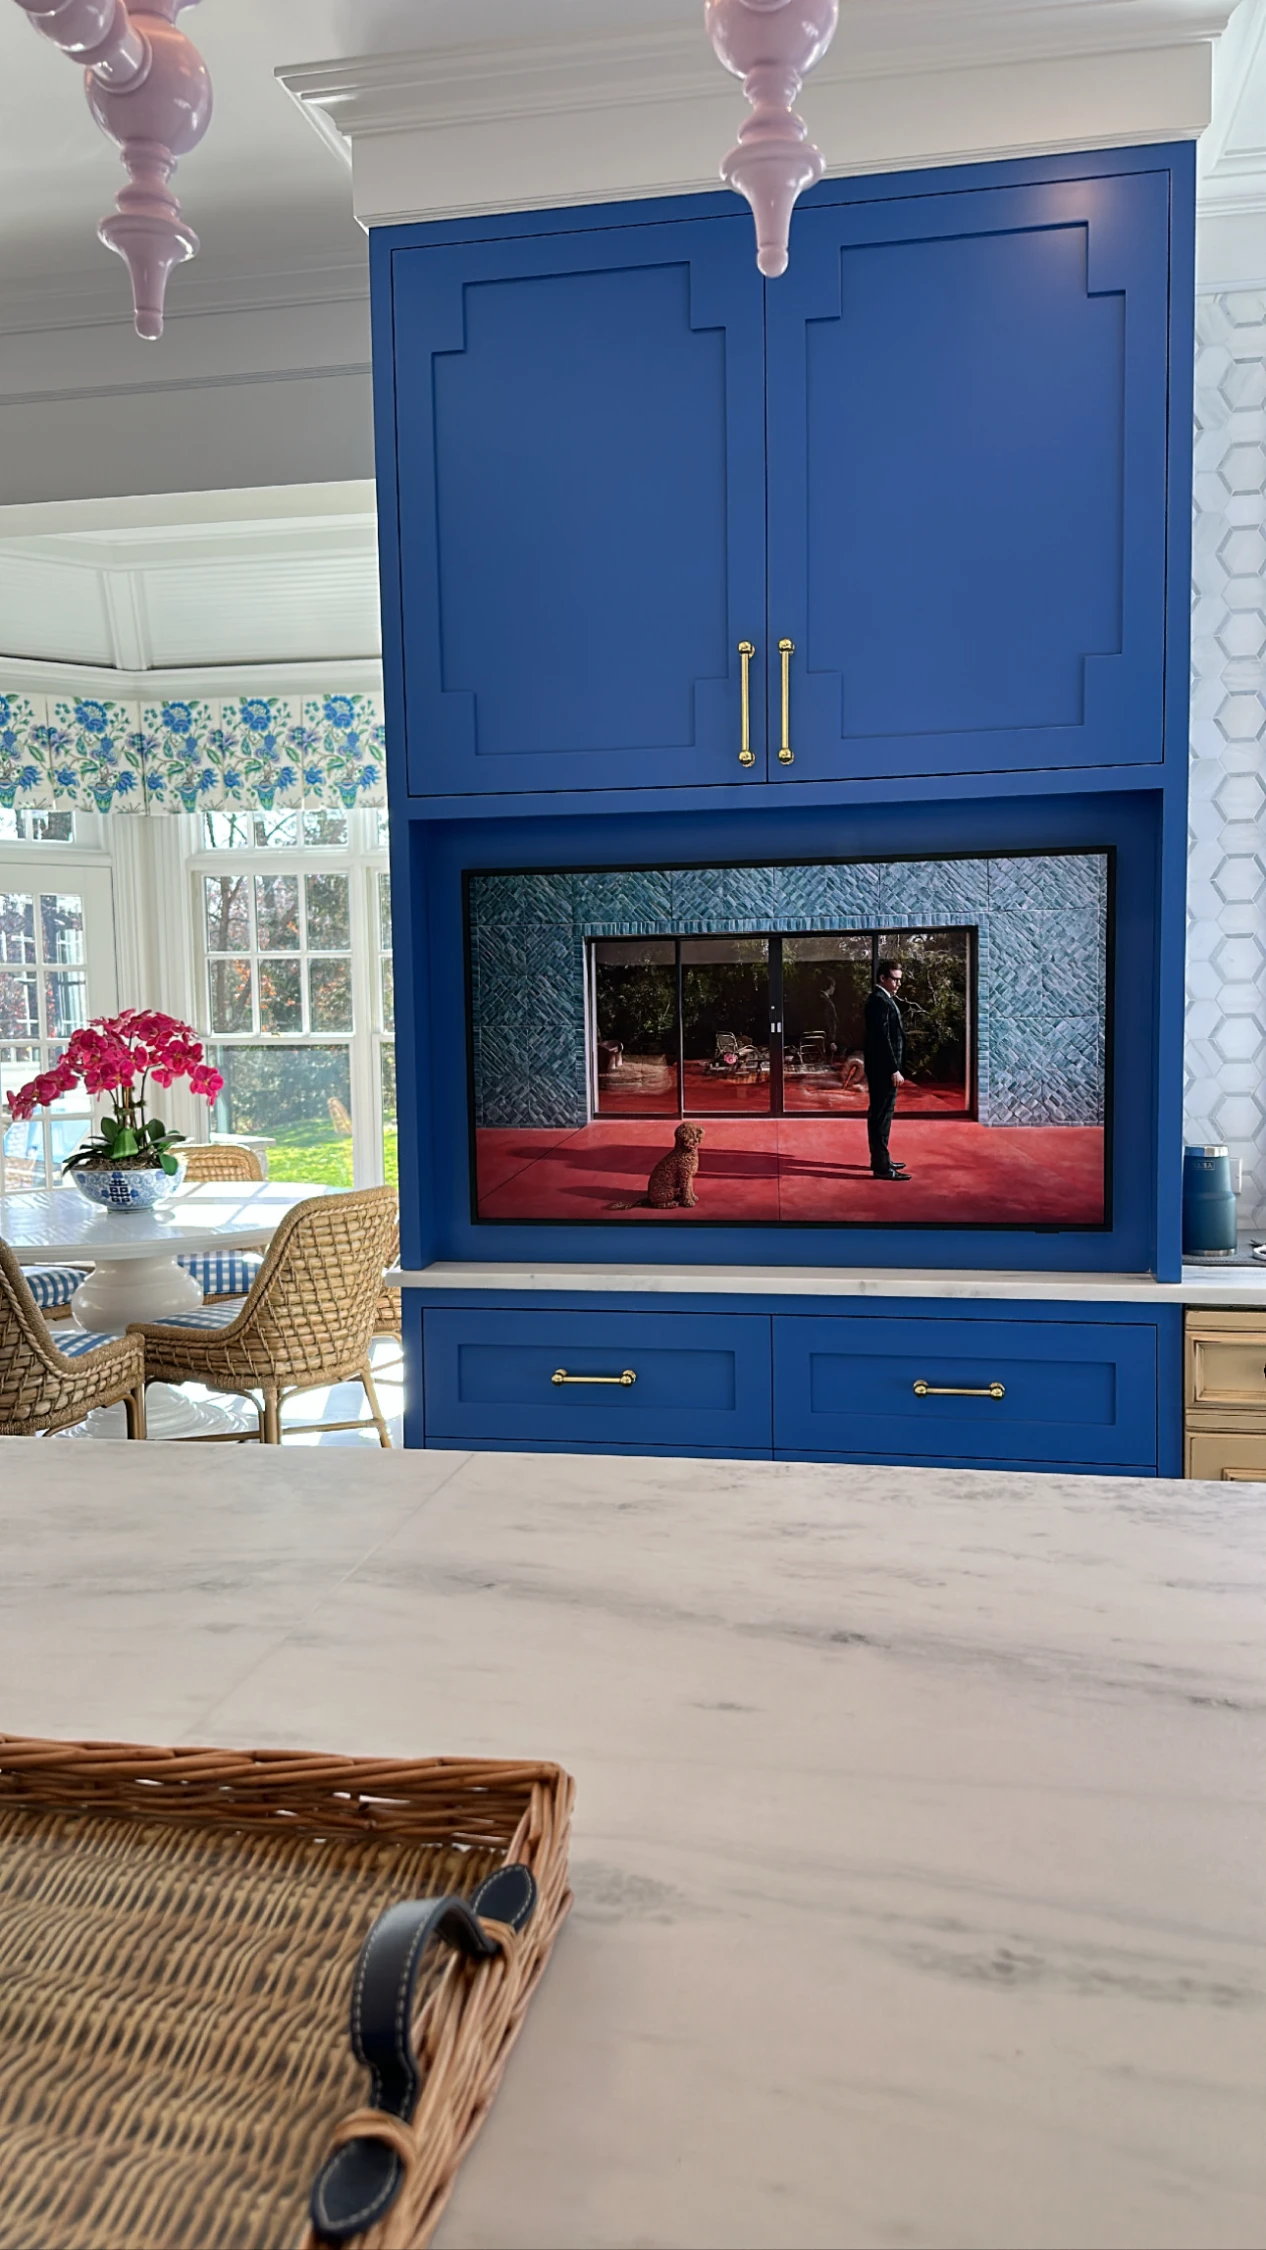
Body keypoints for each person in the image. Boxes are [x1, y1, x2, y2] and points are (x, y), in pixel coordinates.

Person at [863, 958, 910, 1180]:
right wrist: (894, 1069)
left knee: (883, 1116)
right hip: (883, 1071)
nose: (898, 984)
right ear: (883, 978)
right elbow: (881, 1039)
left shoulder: (884, 999)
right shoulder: (878, 1001)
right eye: (895, 979)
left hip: (883, 1070)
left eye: (900, 980)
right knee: (881, 1116)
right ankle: (881, 1167)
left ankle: (882, 1158)